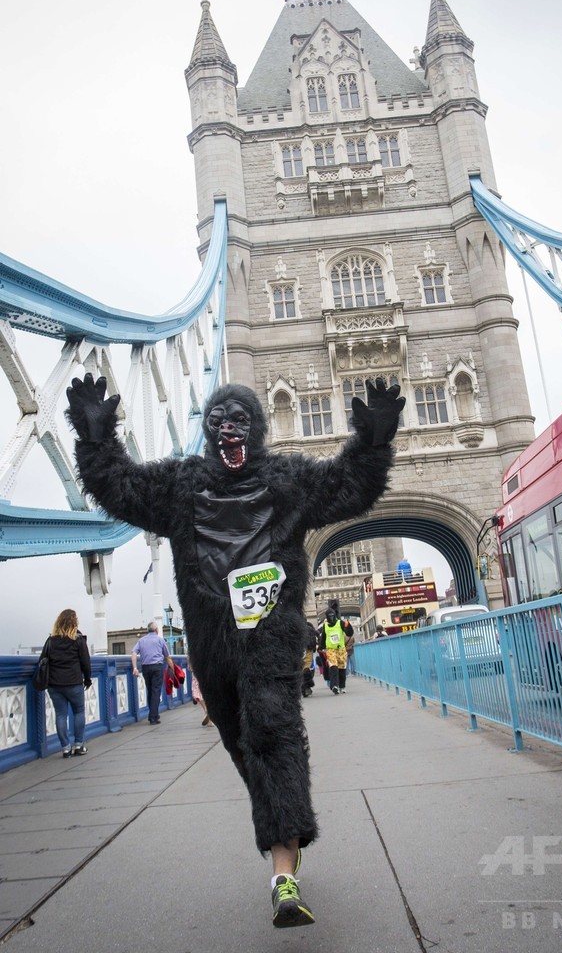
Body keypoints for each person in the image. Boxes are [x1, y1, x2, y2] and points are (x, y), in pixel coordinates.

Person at [66, 372, 403, 928]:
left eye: (240, 419)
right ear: (206, 430)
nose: (230, 429)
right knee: (237, 736)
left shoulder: (287, 480)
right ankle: (283, 817)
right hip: (211, 643)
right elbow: (120, 487)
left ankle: (282, 873)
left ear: (259, 427)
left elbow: (350, 486)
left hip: (270, 633)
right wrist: (97, 438)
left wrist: (372, 442)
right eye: (220, 420)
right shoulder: (179, 484)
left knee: (271, 729)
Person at [45, 608, 92, 758]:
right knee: (79, 712)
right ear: (74, 622)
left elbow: (43, 661)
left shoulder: (51, 640)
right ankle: (78, 745)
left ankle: (65, 748)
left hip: (54, 684)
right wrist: (88, 679)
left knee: (60, 715)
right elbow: (86, 662)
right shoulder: (78, 640)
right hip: (74, 682)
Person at [131, 621, 174, 724]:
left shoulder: (141, 641)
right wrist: (172, 667)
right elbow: (167, 657)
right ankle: (153, 716)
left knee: (150, 691)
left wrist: (135, 668)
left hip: (145, 668)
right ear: (156, 630)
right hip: (157, 668)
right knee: (155, 691)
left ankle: (154, 714)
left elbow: (133, 653)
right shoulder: (160, 640)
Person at [317, 600, 351, 694]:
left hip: (341, 649)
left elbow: (349, 633)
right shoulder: (325, 626)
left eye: (332, 616)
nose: (331, 618)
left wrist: (348, 627)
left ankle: (342, 686)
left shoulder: (340, 623)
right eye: (329, 616)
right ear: (327, 617)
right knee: (333, 667)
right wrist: (320, 647)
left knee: (342, 668)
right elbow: (323, 638)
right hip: (331, 649)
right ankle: (334, 686)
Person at [188, 657, 213, 726]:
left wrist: (190, 664)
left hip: (197, 669)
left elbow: (189, 655)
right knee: (207, 692)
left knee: (197, 693)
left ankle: (206, 710)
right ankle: (209, 719)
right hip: (208, 669)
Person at [302, 622, 317, 698]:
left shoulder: (309, 628)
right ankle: (306, 687)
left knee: (307, 670)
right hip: (299, 652)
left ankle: (306, 687)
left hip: (307, 651)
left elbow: (313, 638)